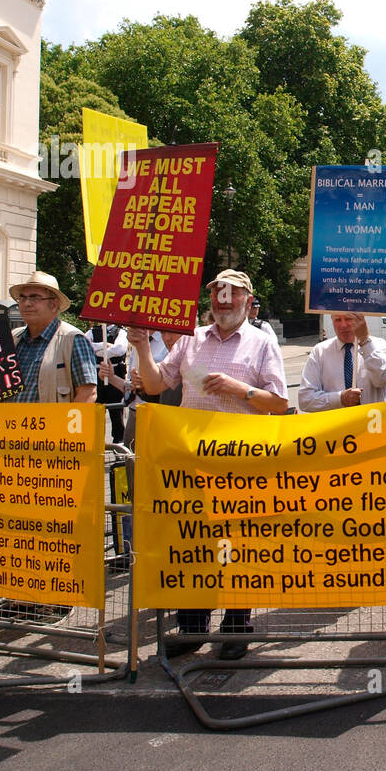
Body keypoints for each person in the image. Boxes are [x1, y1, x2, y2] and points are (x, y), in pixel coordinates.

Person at [128, 269, 288, 660]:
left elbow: (280, 404)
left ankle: (236, 627)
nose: (223, 300)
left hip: (240, 466)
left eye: (232, 294)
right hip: (190, 464)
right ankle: (192, 625)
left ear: (249, 302)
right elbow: (153, 386)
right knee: (192, 544)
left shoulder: (263, 344)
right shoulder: (190, 340)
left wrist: (241, 390)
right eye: (217, 293)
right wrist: (143, 349)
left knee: (237, 546)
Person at [8, 272, 97, 404]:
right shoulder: (13, 338)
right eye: (22, 298)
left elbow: (88, 393)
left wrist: (63, 424)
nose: (27, 303)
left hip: (54, 424)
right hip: (9, 423)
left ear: (54, 304)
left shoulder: (73, 339)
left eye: (35, 298)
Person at [298, 312, 386, 412]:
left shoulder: (379, 345)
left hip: (373, 423)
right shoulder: (320, 351)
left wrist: (365, 341)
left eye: (348, 319)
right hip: (338, 425)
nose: (343, 325)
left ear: (360, 320)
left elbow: (382, 380)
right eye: (338, 320)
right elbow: (305, 400)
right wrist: (340, 398)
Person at [86, 322, 129, 444]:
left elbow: (119, 349)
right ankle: (97, 445)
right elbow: (85, 345)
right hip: (96, 374)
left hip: (115, 375)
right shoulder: (93, 331)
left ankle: (119, 445)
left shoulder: (121, 331)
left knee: (116, 413)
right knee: (96, 413)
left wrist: (99, 351)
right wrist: (106, 345)